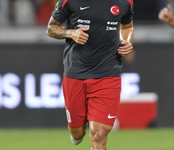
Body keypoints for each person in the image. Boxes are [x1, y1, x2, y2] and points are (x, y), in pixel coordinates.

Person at [46, 0, 134, 149]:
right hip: (75, 73)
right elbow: (51, 28)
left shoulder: (125, 2)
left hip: (108, 73)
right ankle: (76, 133)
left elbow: (127, 26)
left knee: (99, 135)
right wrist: (71, 33)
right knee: (77, 133)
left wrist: (126, 41)